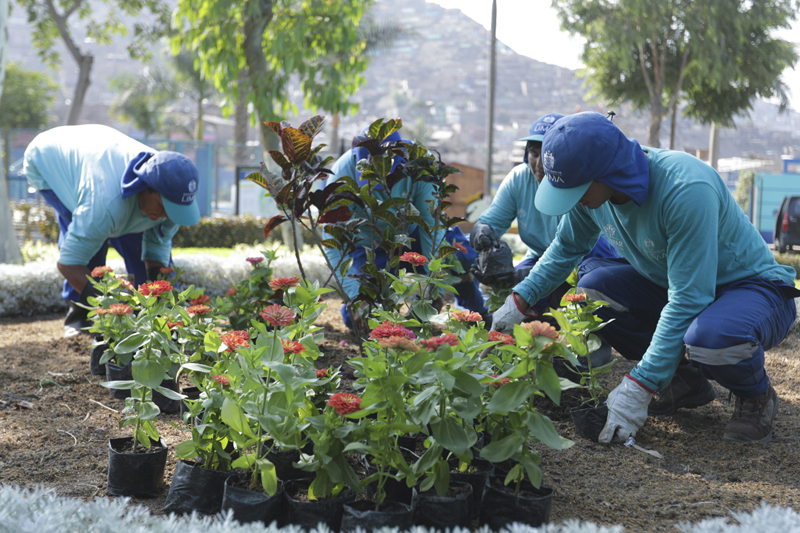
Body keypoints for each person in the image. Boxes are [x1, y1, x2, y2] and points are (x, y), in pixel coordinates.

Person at [492, 111, 798, 444]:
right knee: (594, 289)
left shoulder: (684, 188)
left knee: (711, 339)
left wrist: (640, 384)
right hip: (677, 285)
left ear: (606, 170)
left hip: (750, 289)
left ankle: (756, 396)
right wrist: (517, 302)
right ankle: (686, 379)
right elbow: (566, 247)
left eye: (576, 189)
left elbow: (689, 298)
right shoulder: (592, 196)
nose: (573, 200)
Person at [24, 125, 201, 337]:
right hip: (48, 159)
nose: (166, 216)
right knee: (91, 252)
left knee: (137, 247)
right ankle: (80, 316)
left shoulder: (172, 197)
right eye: (163, 208)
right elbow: (69, 265)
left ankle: (149, 319)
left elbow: (156, 255)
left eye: (172, 211)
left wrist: (162, 309)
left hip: (102, 156)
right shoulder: (103, 205)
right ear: (145, 187)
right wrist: (113, 308)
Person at [323, 126, 489, 329]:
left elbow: (431, 228)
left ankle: (474, 315)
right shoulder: (341, 176)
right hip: (368, 248)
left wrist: (430, 287)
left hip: (414, 236)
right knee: (360, 317)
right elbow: (332, 242)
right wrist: (355, 295)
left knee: (461, 258)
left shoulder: (421, 166)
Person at [470, 112, 618, 316]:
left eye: (548, 154)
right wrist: (482, 235)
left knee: (591, 287)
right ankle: (528, 335)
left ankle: (596, 337)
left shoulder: (574, 183)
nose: (539, 164)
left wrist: (528, 275)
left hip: (589, 258)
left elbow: (570, 249)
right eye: (533, 153)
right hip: (541, 257)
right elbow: (490, 222)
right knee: (511, 291)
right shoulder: (519, 179)